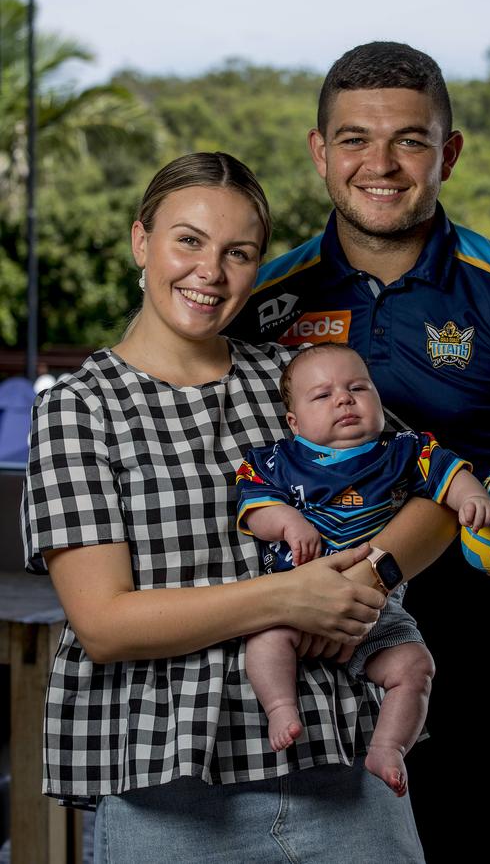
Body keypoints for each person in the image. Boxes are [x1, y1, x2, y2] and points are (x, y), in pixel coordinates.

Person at [225, 43, 490, 864]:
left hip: (480, 642)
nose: (379, 164)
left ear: (447, 152)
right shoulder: (264, 299)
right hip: (319, 647)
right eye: (353, 140)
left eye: (409, 140)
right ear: (319, 151)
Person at [21, 151, 461, 864]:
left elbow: (435, 494)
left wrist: (365, 580)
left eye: (239, 252)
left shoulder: (293, 377)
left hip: (342, 765)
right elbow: (104, 623)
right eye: (187, 240)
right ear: (142, 241)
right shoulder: (79, 408)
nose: (210, 272)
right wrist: (288, 596)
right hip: (172, 794)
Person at [236, 342, 490, 797]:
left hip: (378, 606)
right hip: (291, 600)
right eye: (322, 395)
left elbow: (448, 473)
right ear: (294, 423)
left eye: (358, 387)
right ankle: (280, 705)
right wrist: (288, 522)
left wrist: (471, 496)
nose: (343, 398)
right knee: (264, 639)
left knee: (416, 667)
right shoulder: (278, 459)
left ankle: (389, 746)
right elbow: (253, 507)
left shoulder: (403, 450)